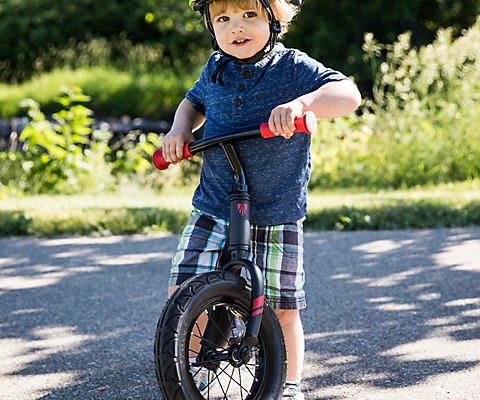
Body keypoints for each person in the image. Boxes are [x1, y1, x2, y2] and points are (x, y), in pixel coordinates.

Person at [162, 0, 361, 398]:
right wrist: (179, 130)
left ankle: (287, 384)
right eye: (224, 18)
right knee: (184, 290)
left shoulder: (292, 67)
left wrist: (301, 104)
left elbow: (348, 95)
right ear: (211, 27)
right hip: (215, 204)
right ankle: (196, 364)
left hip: (276, 208)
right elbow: (192, 103)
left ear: (274, 18)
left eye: (249, 15)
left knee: (282, 306)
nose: (237, 27)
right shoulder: (215, 68)